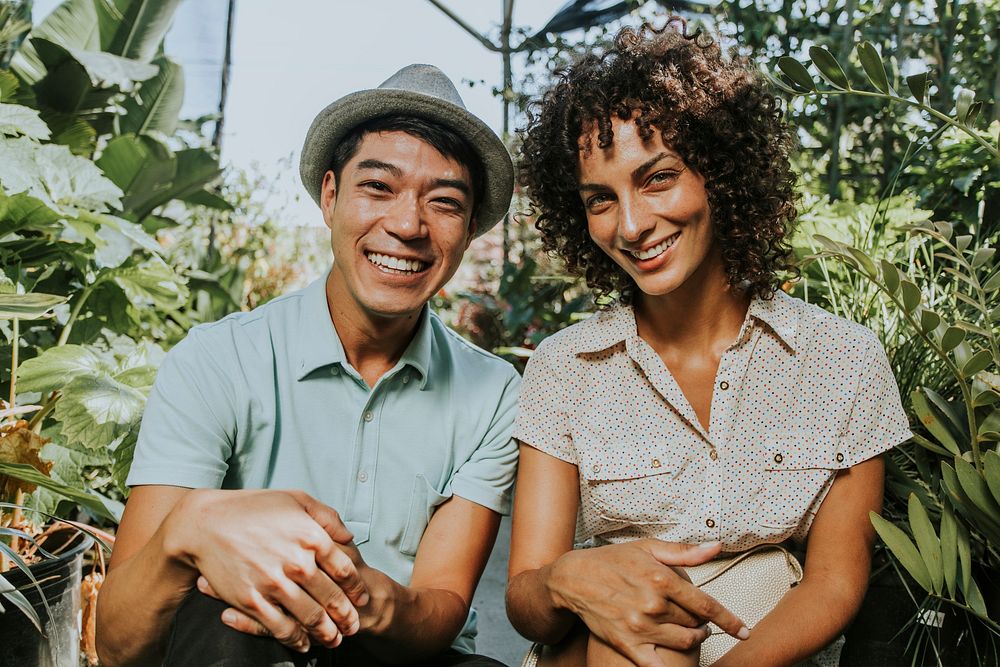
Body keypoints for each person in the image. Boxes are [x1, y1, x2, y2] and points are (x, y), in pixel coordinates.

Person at [505, 22, 912, 667]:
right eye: (600, 200)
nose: (632, 225)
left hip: (765, 647)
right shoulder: (566, 368)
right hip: (601, 641)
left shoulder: (842, 359)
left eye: (658, 177)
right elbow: (526, 597)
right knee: (631, 632)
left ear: (721, 173)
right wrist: (565, 580)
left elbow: (835, 584)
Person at [96, 64, 523, 667]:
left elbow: (439, 614)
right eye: (378, 187)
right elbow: (115, 644)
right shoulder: (218, 359)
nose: (406, 225)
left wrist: (351, 589)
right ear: (329, 196)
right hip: (244, 640)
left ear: (470, 228)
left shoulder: (494, 392)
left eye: (445, 203)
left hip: (396, 653)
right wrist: (189, 529)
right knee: (223, 624)